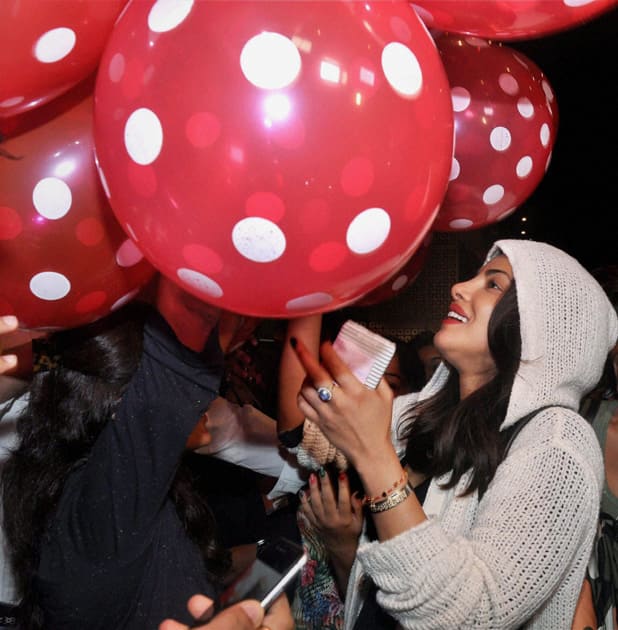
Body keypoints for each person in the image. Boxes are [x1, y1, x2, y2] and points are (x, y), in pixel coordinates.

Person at [291, 239, 617, 629]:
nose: (459, 288)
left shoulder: (558, 444)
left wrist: (374, 457)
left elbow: (471, 616)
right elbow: (302, 434)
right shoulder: (429, 414)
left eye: (492, 284)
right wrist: (306, 288)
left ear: (540, 325)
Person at [1, 295, 231, 629]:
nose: (204, 406)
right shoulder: (96, 519)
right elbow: (177, 369)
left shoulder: (88, 497)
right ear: (125, 409)